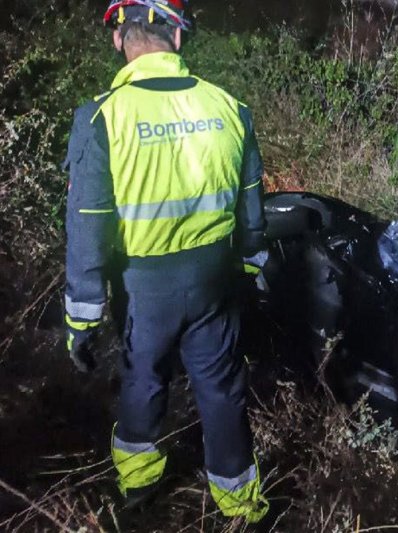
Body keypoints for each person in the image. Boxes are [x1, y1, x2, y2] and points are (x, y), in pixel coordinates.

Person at [63, 0, 268, 522]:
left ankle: (137, 492)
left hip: (143, 288)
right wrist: (251, 274)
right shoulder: (230, 106)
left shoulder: (102, 116)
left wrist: (82, 318)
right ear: (177, 39)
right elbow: (251, 211)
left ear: (118, 41)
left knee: (143, 380)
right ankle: (240, 505)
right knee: (221, 390)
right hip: (214, 281)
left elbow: (88, 225)